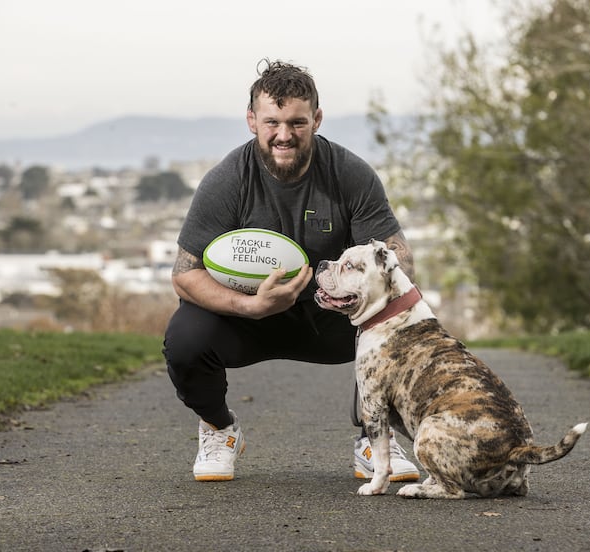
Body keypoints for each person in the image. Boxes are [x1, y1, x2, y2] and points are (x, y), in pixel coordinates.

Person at [162, 58, 419, 482]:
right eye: (272, 122)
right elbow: (184, 275)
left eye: (298, 122)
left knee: (403, 314)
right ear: (251, 120)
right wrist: (249, 306)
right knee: (185, 337)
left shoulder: (350, 174)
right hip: (247, 318)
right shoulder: (227, 180)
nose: (284, 135)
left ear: (317, 119)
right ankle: (218, 427)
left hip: (331, 315)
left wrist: (357, 289)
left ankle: (375, 439)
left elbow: (400, 260)